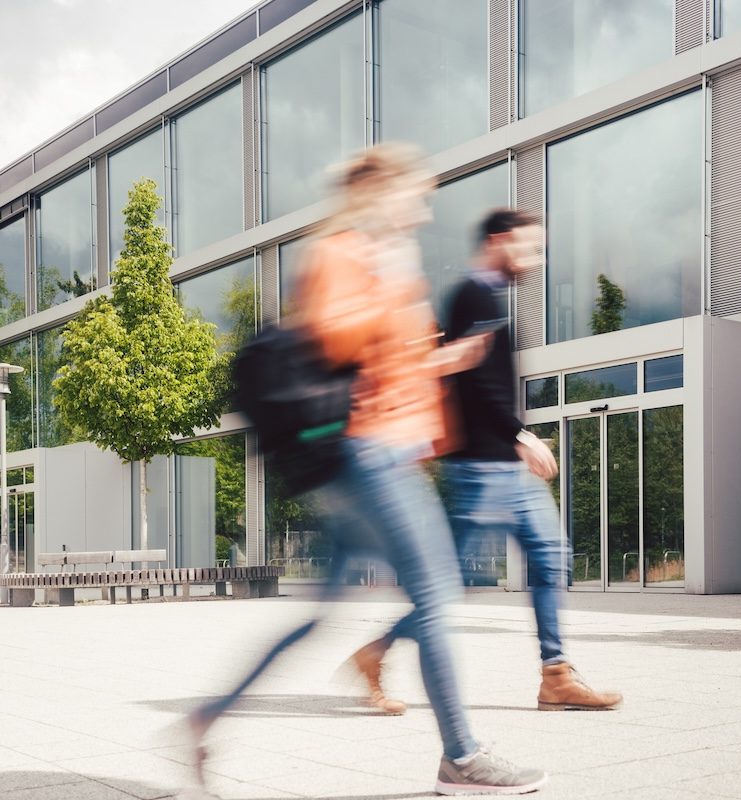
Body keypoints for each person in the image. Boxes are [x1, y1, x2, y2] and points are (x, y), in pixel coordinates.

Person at [182, 153, 548, 797]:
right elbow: (335, 339)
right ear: (382, 193)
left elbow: (384, 366)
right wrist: (393, 294)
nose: (425, 210)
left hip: (381, 451)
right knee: (436, 594)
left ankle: (209, 716)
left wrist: (440, 359)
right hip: (367, 453)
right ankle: (461, 758)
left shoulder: (372, 258)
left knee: (323, 615)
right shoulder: (344, 253)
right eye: (418, 196)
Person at [349, 207, 623, 715]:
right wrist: (519, 433)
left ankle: (556, 674)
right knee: (447, 585)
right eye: (529, 247)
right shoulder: (472, 295)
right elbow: (474, 382)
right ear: (499, 240)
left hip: (504, 468)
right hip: (478, 468)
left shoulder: (488, 297)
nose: (535, 259)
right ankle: (376, 652)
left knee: (550, 558)